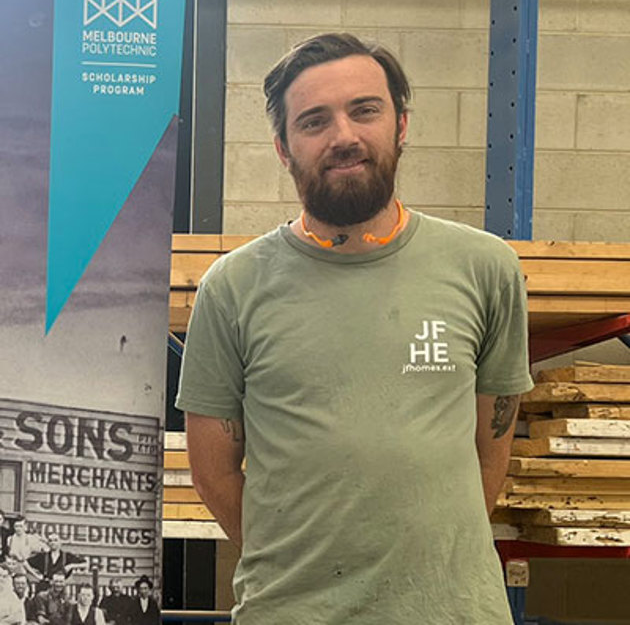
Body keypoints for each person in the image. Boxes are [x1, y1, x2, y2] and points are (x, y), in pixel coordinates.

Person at [176, 32, 533, 624]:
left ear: (400, 125)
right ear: (283, 149)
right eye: (314, 121)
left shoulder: (485, 268)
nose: (344, 136)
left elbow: (488, 451)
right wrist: (298, 566)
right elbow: (213, 472)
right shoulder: (233, 288)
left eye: (365, 110)